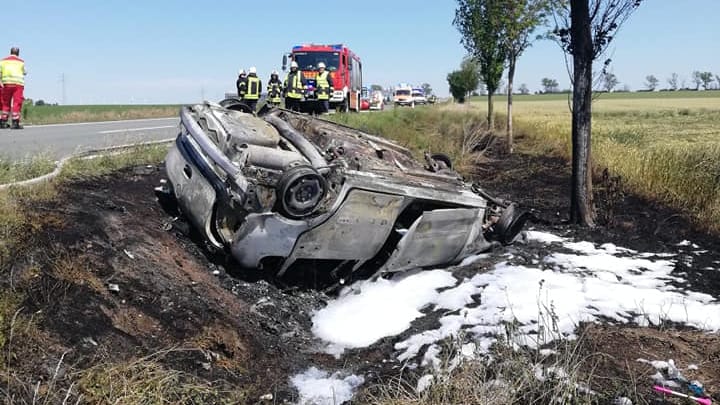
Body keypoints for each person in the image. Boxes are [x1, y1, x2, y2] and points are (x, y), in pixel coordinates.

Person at [0, 47, 27, 129]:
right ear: (18, 53)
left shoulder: (3, 61)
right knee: (17, 103)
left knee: (5, 103)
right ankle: (15, 123)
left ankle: (3, 122)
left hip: (6, 84)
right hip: (18, 85)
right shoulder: (21, 62)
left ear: (10, 52)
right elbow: (25, 72)